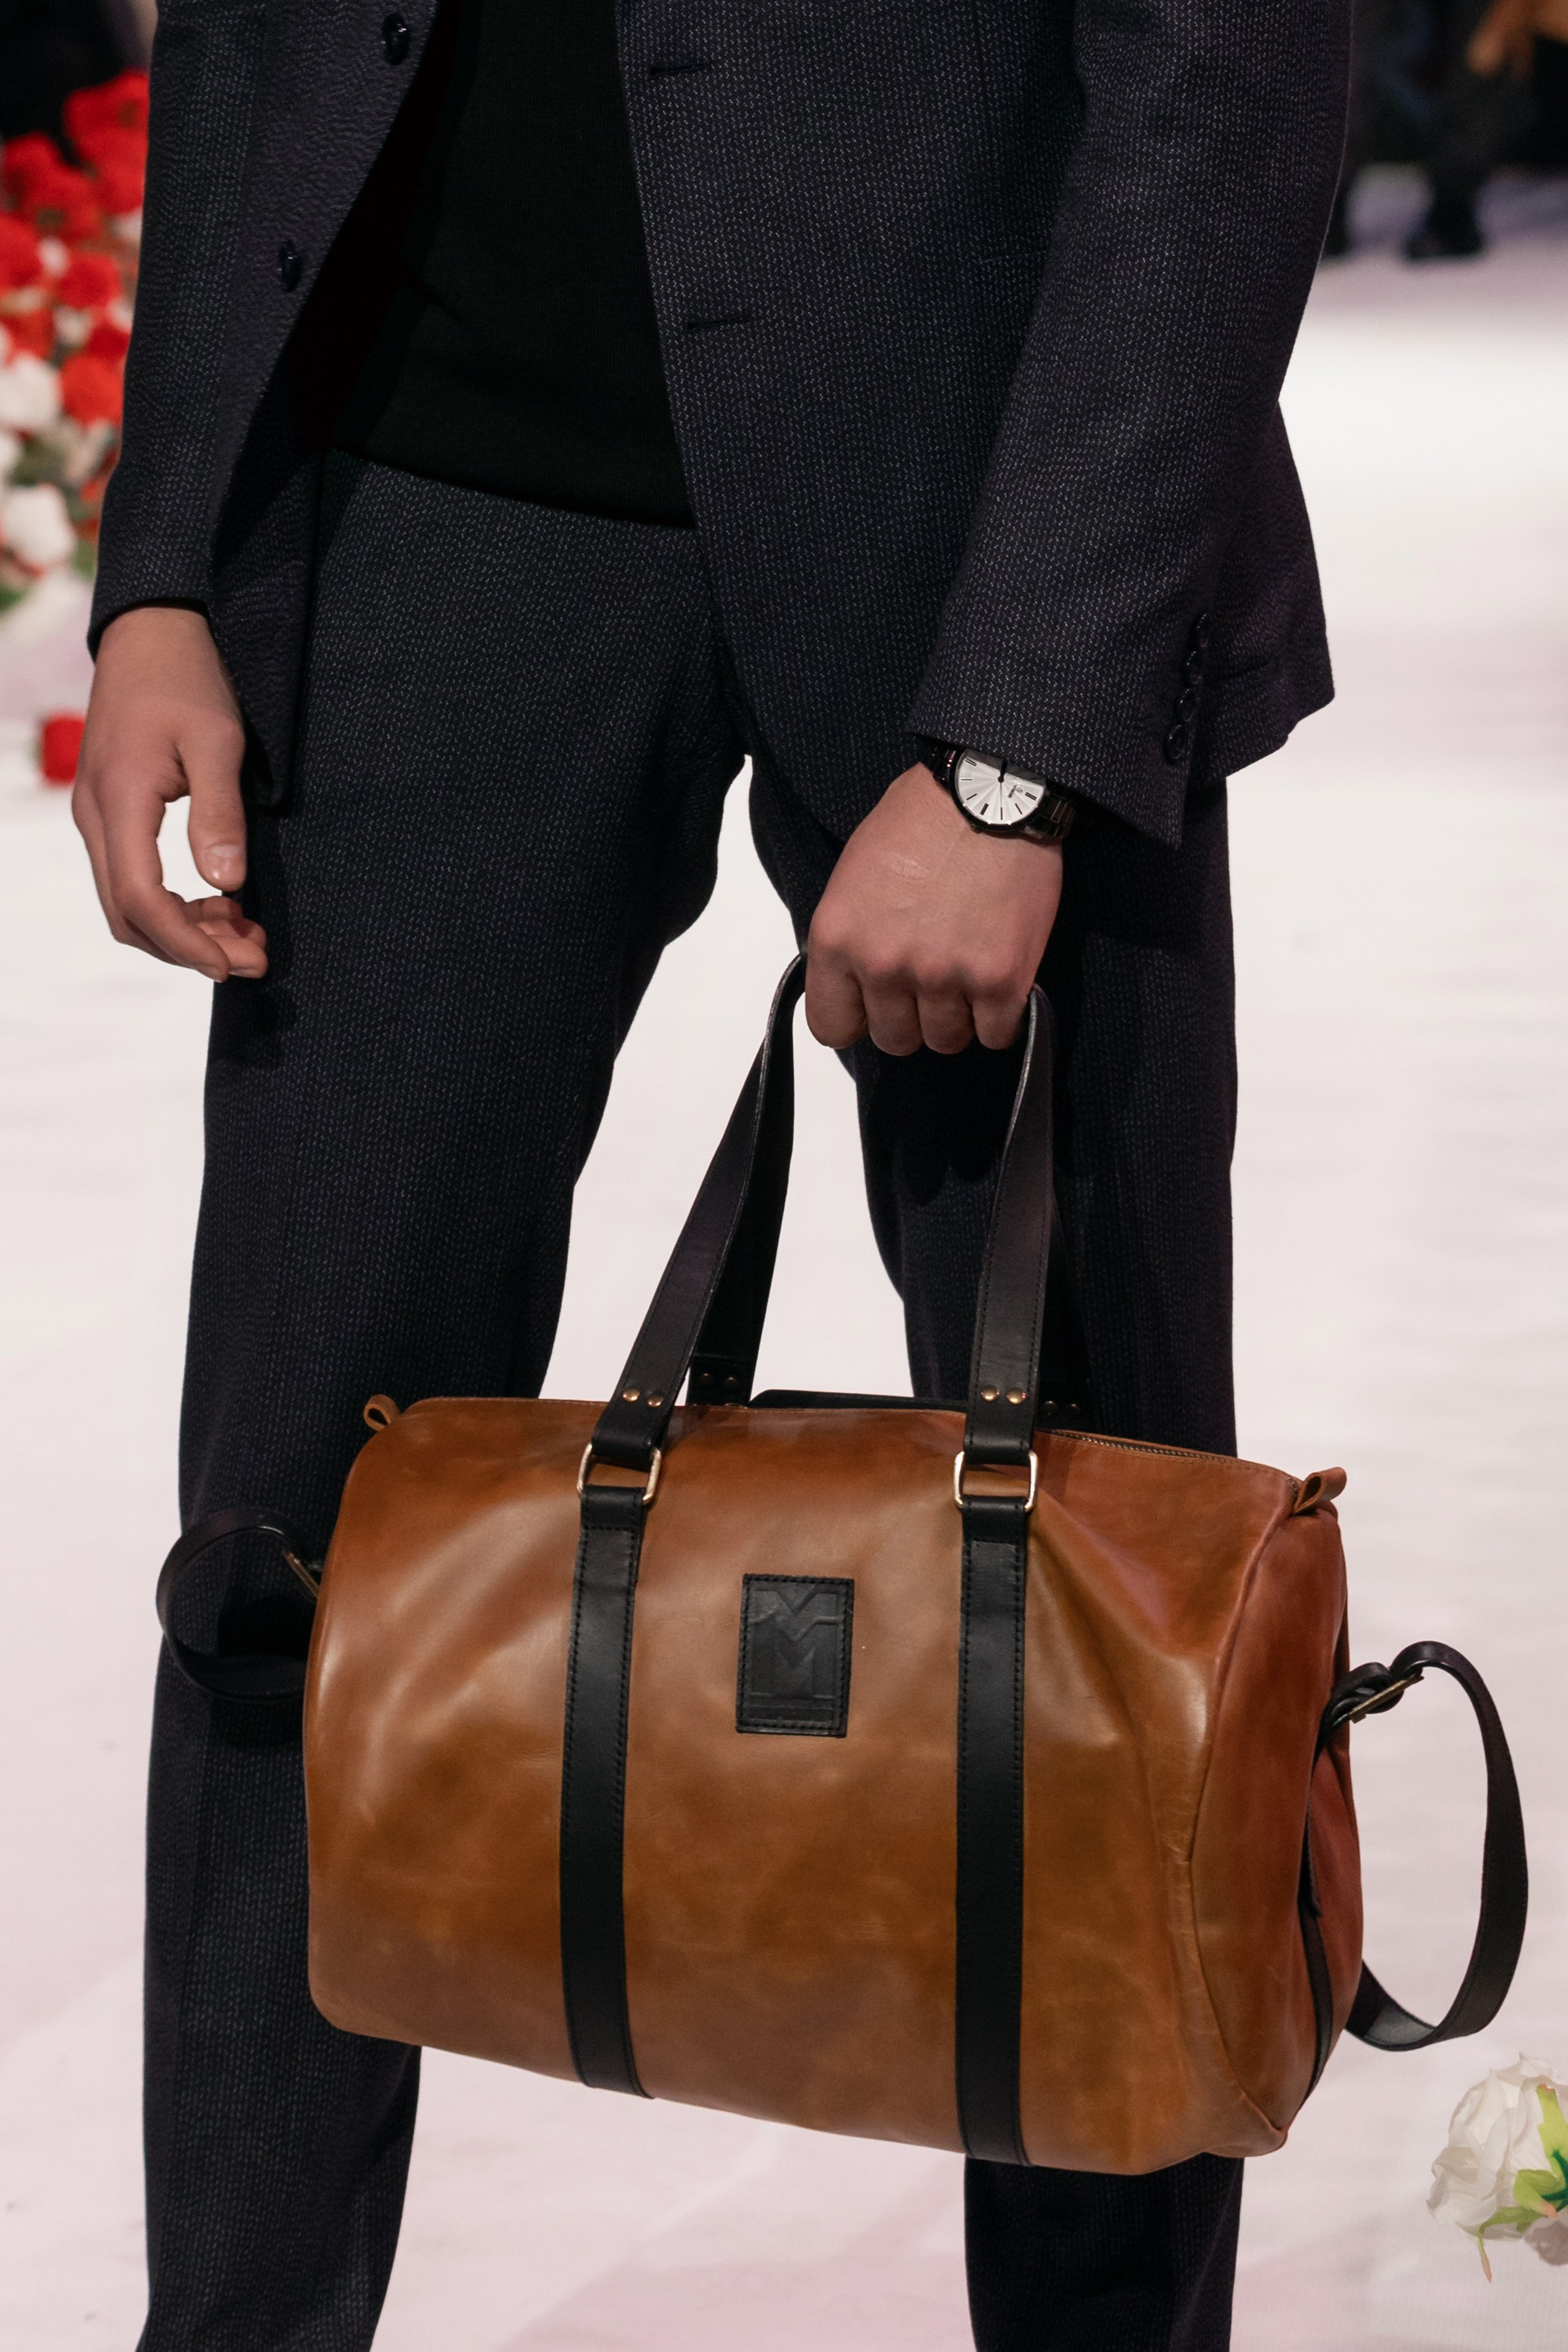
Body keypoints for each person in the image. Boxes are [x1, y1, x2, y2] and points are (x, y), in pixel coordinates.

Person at [71, 0, 1348, 2344]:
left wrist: (1019, 745)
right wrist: (167, 552)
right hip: (416, 500)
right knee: (284, 1571)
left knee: (1109, 1601)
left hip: (981, 524)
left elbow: (1224, 65)